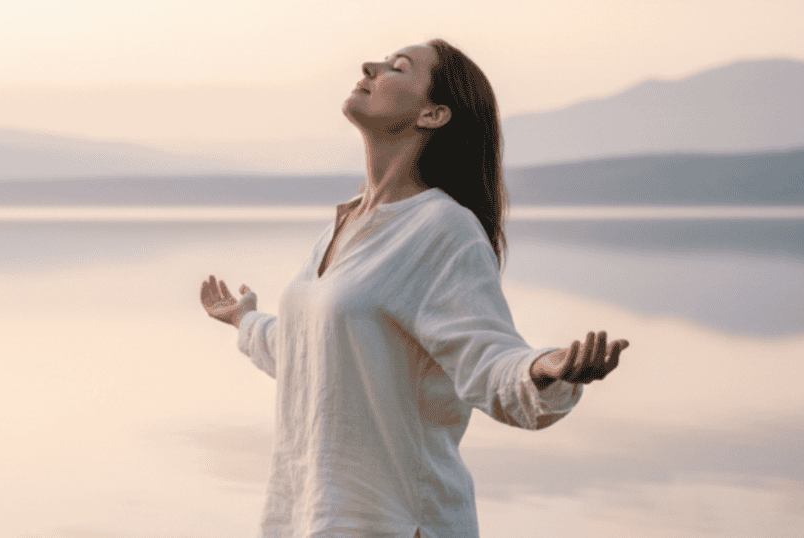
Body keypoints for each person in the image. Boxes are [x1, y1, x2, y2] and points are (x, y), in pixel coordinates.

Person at [199, 39, 629, 538]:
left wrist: (545, 369)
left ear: (433, 114)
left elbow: (487, 363)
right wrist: (245, 320)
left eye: (396, 67)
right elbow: (313, 350)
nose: (370, 66)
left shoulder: (443, 229)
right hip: (307, 517)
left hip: (397, 524)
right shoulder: (343, 224)